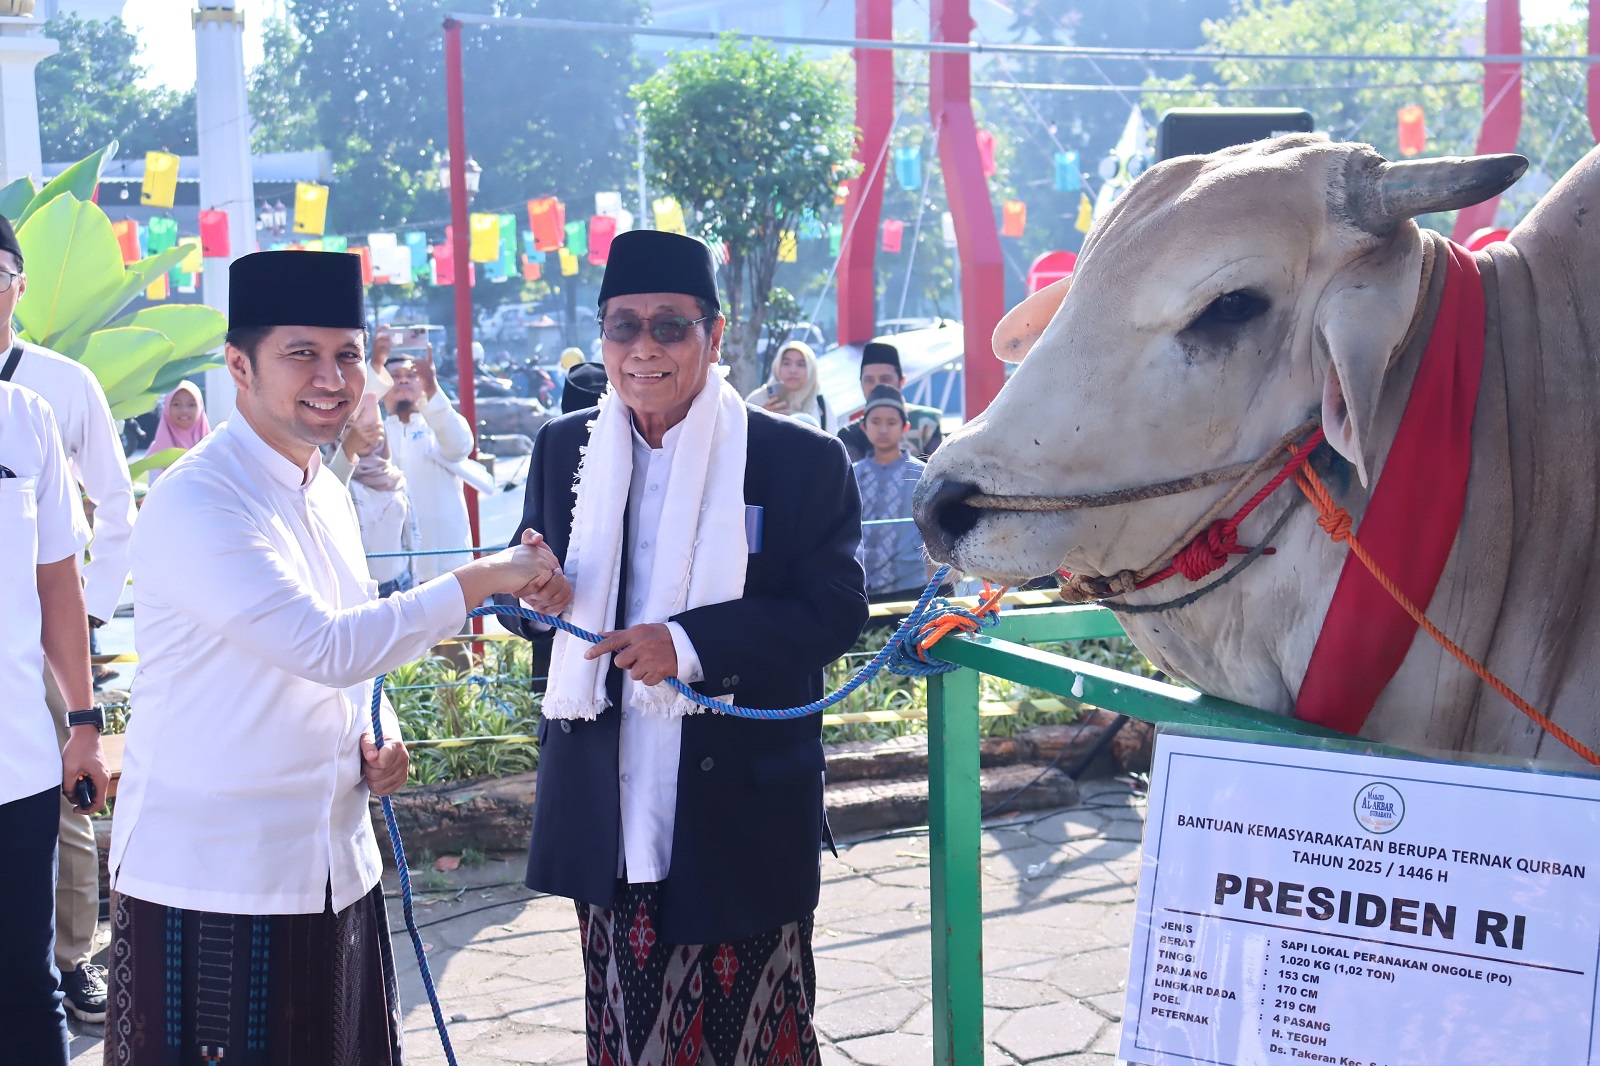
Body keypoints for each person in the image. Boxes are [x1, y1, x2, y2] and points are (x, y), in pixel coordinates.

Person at [103, 251, 571, 1064]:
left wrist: (377, 732)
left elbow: (354, 638)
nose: (333, 378)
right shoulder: (198, 499)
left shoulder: (323, 483)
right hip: (215, 875)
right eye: (302, 355)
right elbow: (322, 644)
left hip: (332, 864)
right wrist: (486, 577)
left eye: (348, 354)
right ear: (240, 365)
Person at [501, 229, 868, 1066]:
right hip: (609, 794)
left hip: (735, 797)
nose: (643, 349)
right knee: (626, 1030)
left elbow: (835, 609)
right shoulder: (567, 448)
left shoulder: (796, 458)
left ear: (714, 329)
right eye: (622, 326)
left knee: (755, 1027)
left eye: (670, 326)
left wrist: (690, 643)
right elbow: (535, 598)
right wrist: (536, 596)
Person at [0, 211, 135, 1026]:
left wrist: (83, 697)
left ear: (18, 289)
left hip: (18, 729)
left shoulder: (37, 406)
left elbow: (69, 562)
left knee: (24, 980)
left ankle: (77, 955)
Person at [0, 378, 107, 1066]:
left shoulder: (23, 415)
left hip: (15, 769)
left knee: (23, 989)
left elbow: (58, 584)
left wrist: (85, 724)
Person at [383, 343, 477, 582]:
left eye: (411, 376)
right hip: (393, 573)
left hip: (448, 568)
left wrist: (432, 387)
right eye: (395, 376)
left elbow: (460, 447)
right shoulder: (373, 435)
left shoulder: (438, 424)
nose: (403, 381)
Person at [850, 385, 937, 599]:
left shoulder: (922, 474)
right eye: (876, 422)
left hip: (911, 589)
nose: (883, 430)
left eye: (891, 423)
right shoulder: (851, 474)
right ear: (864, 427)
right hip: (860, 588)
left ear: (905, 427)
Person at [837, 341, 944, 462]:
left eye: (885, 378)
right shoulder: (849, 434)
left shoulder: (927, 423)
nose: (877, 386)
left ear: (902, 380)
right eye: (869, 380)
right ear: (861, 382)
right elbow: (852, 478)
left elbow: (936, 474)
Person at [744, 340, 832, 428]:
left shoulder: (821, 406)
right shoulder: (756, 402)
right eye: (786, 363)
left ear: (811, 370)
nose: (793, 370)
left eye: (801, 364)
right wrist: (761, 418)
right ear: (777, 367)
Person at [144, 380, 212, 483]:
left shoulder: (211, 447)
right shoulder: (158, 452)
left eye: (191, 405)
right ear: (167, 408)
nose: (184, 410)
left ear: (200, 407)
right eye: (176, 404)